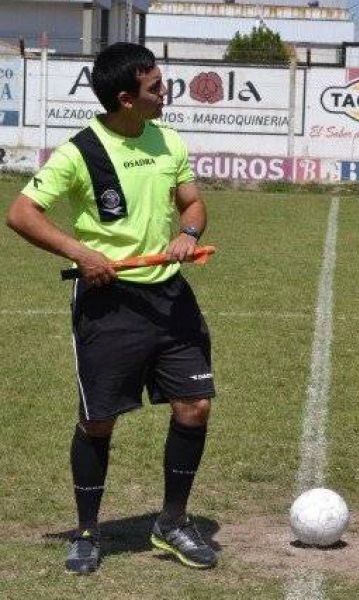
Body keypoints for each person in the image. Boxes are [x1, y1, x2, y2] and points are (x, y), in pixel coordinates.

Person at [6, 43, 218, 574]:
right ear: (126, 99)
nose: (166, 92)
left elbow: (192, 202)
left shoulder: (168, 140)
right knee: (98, 421)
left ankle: (171, 522)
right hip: (108, 302)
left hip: (169, 296)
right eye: (155, 87)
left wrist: (188, 233)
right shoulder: (80, 151)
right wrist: (81, 252)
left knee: (195, 407)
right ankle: (86, 530)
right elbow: (21, 213)